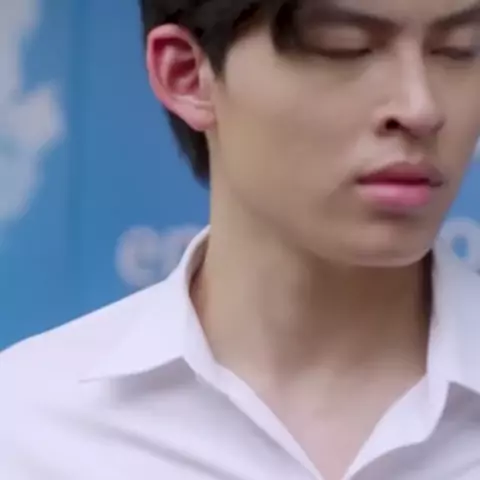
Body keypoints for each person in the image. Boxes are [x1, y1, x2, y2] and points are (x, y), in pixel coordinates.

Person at [2, 0, 480, 478]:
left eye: (460, 49)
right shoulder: (26, 427)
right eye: (344, 46)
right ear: (186, 74)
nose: (421, 109)